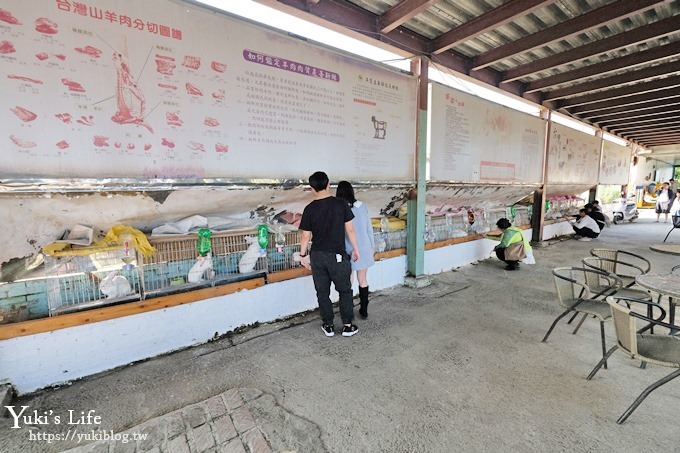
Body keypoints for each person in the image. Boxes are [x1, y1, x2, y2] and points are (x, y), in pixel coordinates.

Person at [299, 171, 360, 337]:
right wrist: (356, 249)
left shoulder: (309, 208)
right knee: (345, 290)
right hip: (337, 255)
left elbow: (306, 235)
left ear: (312, 188)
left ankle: (328, 325)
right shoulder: (340, 204)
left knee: (322, 292)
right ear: (328, 184)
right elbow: (350, 229)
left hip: (317, 255)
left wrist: (303, 255)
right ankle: (348, 325)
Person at [336, 181, 375, 319]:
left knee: (348, 282)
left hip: (348, 249)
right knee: (363, 280)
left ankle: (348, 312)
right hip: (364, 248)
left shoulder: (339, 208)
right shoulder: (362, 206)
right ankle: (364, 310)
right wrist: (372, 247)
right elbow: (369, 229)